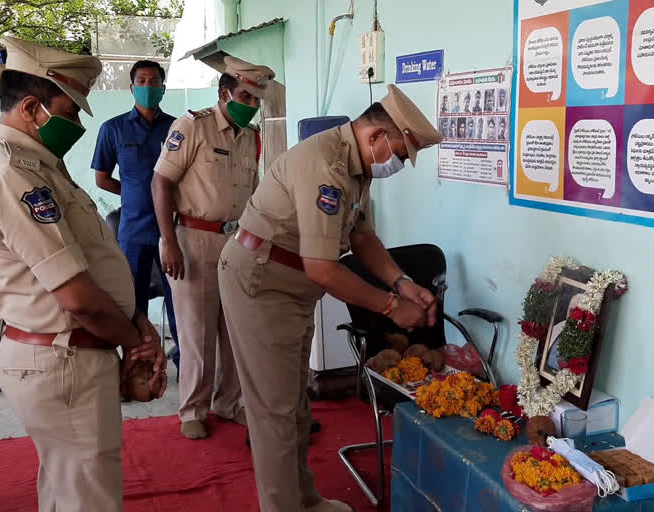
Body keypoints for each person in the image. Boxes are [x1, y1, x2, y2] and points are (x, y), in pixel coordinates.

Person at [0, 37, 166, 511]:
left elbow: (92, 262)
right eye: (70, 112)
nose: (76, 125)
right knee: (89, 498)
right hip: (65, 360)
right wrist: (134, 342)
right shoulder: (14, 173)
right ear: (32, 108)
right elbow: (76, 296)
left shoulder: (38, 163)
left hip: (68, 356)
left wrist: (134, 319)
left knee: (66, 492)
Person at [218, 84, 441, 512]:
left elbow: (362, 236)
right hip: (261, 282)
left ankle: (304, 499)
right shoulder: (326, 165)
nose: (398, 165)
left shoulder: (356, 166)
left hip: (293, 287)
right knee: (275, 414)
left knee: (295, 404)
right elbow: (323, 267)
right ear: (376, 137)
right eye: (399, 153)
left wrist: (402, 282)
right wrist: (394, 308)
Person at [152, 56, 269, 440]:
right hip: (193, 239)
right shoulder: (192, 126)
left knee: (235, 330)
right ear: (225, 94)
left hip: (237, 241)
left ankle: (228, 402)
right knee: (197, 331)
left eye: (256, 101)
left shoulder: (252, 137)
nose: (251, 106)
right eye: (245, 98)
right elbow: (161, 183)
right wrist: (168, 240)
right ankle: (192, 409)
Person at [92, 60, 181, 377]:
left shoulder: (177, 128)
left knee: (179, 303)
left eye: (154, 81)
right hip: (132, 231)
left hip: (172, 231)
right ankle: (136, 367)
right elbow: (102, 179)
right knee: (132, 304)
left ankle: (185, 364)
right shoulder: (113, 129)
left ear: (162, 88)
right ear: (131, 88)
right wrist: (133, 196)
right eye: (141, 81)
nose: (147, 86)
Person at [547, 294, 584, 371]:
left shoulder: (583, 340)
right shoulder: (557, 327)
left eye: (577, 313)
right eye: (571, 311)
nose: (572, 316)